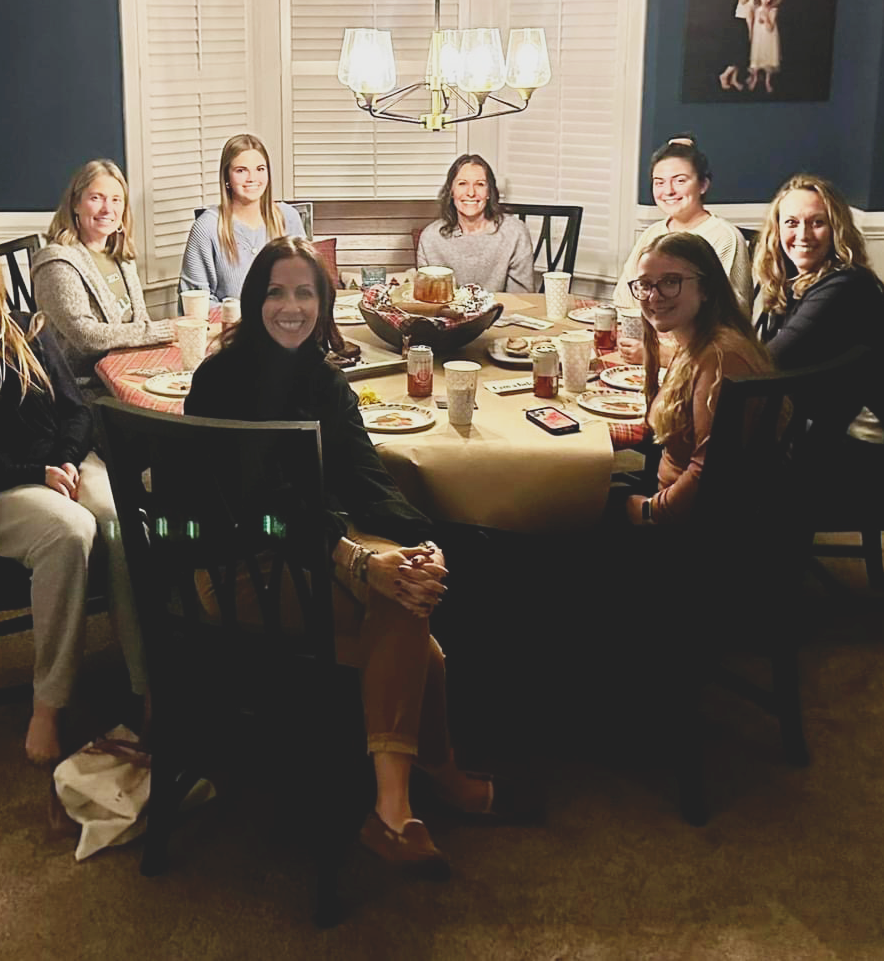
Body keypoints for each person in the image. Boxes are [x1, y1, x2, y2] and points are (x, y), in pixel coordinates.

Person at [185, 236, 518, 876]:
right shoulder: (222, 380)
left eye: (304, 293)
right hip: (236, 568)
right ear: (254, 301)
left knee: (405, 587)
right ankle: (427, 782)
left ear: (322, 302)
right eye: (275, 292)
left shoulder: (322, 380)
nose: (290, 306)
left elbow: (366, 478)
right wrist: (356, 561)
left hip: (309, 553)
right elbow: (260, 511)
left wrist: (423, 543)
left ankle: (397, 807)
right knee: (400, 609)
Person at [0, 223, 147, 765]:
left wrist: (64, 461)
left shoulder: (26, 329)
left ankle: (147, 684)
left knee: (119, 523)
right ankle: (49, 705)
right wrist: (38, 474)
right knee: (71, 532)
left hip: (64, 465)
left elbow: (75, 410)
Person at [752, 174, 884, 473]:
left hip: (862, 443)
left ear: (836, 229)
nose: (803, 234)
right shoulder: (798, 279)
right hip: (825, 414)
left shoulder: (844, 286)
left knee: (726, 449)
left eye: (817, 222)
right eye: (791, 222)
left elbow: (770, 360)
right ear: (776, 230)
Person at [619, 232, 773, 529]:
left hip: (696, 523)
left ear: (706, 288)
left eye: (671, 282)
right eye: (645, 284)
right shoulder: (693, 341)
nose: (654, 296)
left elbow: (710, 470)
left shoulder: (719, 357)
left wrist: (650, 510)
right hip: (678, 501)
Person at [31, 159, 173, 384]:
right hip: (87, 385)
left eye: (116, 200)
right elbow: (87, 336)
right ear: (75, 204)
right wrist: (165, 330)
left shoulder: (122, 257)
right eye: (96, 198)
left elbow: (140, 320)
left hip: (129, 370)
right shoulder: (56, 263)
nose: (108, 209)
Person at [614, 135, 752, 361]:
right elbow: (624, 299)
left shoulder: (725, 237)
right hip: (647, 347)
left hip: (705, 357)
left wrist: (664, 353)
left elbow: (728, 321)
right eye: (659, 182)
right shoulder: (653, 234)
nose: (668, 190)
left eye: (680, 180)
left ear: (703, 184)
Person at [179, 133, 305, 308]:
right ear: (227, 177)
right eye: (241, 170)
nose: (252, 178)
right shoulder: (207, 228)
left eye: (260, 169)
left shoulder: (288, 217)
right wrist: (240, 314)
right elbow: (195, 303)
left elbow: (307, 283)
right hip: (231, 324)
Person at [416, 154, 536, 292]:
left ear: (489, 192)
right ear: (451, 191)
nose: (471, 193)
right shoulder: (430, 238)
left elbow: (521, 297)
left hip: (503, 307)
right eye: (462, 184)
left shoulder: (515, 233)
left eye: (480, 184)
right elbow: (428, 298)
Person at [720, 0, 759, 91]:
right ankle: (724, 75)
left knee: (739, 55)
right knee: (740, 54)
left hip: (737, 24)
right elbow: (749, 16)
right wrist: (750, 32)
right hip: (742, 25)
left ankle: (734, 80)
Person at [747, 0, 781, 94]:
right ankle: (754, 78)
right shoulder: (756, 8)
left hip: (768, 38)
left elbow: (770, 28)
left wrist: (766, 17)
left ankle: (767, 81)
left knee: (768, 56)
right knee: (756, 55)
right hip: (758, 37)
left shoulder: (772, 10)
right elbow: (752, 22)